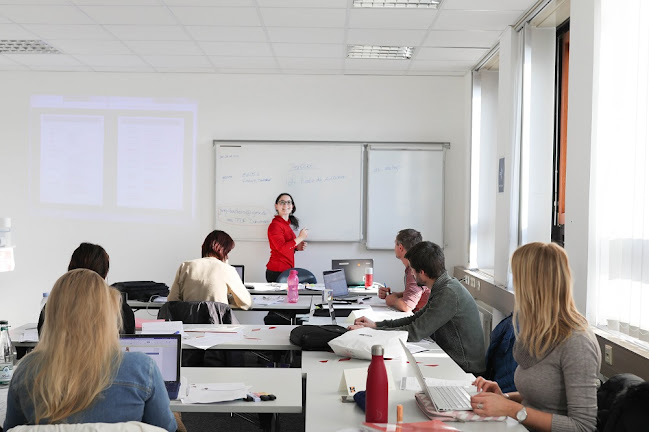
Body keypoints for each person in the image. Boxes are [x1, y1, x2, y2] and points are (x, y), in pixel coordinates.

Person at [4, 269, 177, 431]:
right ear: (107, 314)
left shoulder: (26, 371)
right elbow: (166, 428)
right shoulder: (142, 369)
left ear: (51, 314)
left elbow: (13, 429)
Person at [471, 242, 601, 431]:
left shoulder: (577, 342)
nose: (514, 286)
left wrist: (511, 409)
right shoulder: (539, 330)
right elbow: (539, 398)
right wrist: (503, 398)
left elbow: (583, 426)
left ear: (532, 286)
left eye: (517, 279)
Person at [349, 241, 485, 374]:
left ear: (422, 272)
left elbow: (415, 331)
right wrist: (375, 325)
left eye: (412, 270)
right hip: (453, 361)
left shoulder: (448, 293)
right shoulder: (444, 286)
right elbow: (415, 319)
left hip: (464, 370)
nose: (411, 275)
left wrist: (373, 332)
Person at [37, 242, 135, 336]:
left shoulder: (51, 307)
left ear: (70, 269)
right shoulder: (122, 311)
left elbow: (42, 340)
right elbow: (127, 347)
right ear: (104, 273)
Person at [168, 230, 252, 309]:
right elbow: (246, 303)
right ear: (222, 250)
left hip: (189, 323)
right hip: (217, 323)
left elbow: (172, 300)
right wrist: (228, 299)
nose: (227, 256)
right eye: (227, 252)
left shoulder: (185, 266)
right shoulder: (227, 269)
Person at [378, 229, 430, 312]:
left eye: (395, 244)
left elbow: (407, 306)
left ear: (400, 247)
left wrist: (392, 300)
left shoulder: (414, 269)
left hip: (424, 320)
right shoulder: (417, 264)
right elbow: (415, 293)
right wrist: (394, 295)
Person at [265, 192, 308, 282]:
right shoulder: (275, 225)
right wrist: (300, 238)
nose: (286, 205)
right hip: (277, 271)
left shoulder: (286, 225)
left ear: (292, 206)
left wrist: (296, 247)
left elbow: (287, 246)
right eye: (282, 202)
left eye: (288, 202)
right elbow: (281, 248)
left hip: (286, 270)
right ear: (276, 206)